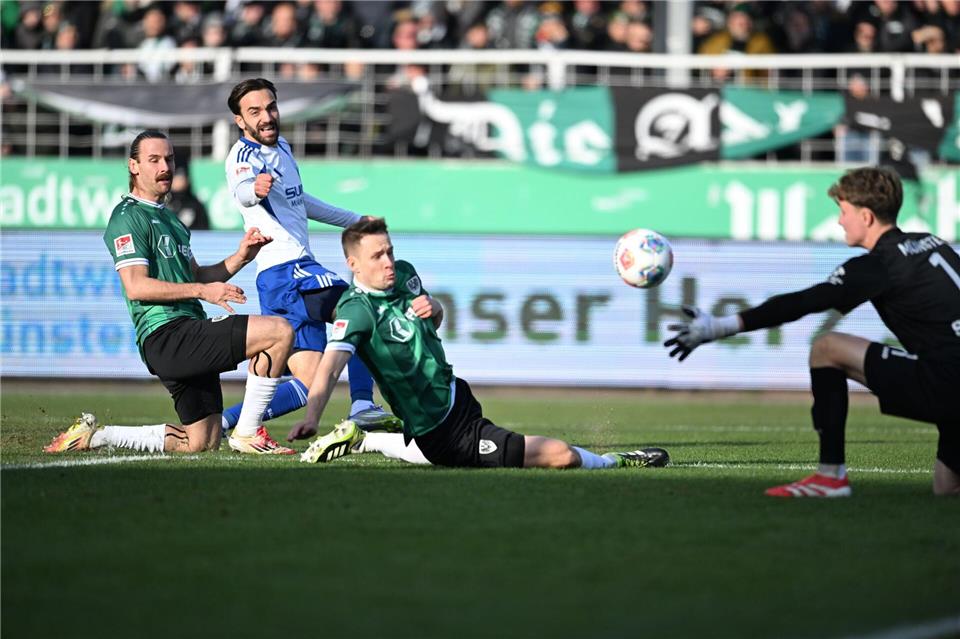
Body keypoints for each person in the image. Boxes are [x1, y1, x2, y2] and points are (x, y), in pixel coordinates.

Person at [664, 167, 960, 497]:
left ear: (866, 216)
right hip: (951, 377)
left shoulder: (879, 264)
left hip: (948, 382)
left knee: (827, 348)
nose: (839, 221)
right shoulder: (933, 244)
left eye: (843, 211)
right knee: (946, 491)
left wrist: (719, 326)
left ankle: (830, 476)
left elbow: (804, 302)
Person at [286, 217, 670, 471]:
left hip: (456, 394)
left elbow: (434, 323)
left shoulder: (404, 275)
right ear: (353, 265)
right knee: (560, 456)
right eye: (376, 256)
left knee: (425, 447)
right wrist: (312, 417)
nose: (388, 261)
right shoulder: (355, 311)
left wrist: (435, 308)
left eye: (389, 250)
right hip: (444, 431)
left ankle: (366, 439)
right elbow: (331, 367)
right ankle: (616, 461)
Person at [44, 130, 296, 456]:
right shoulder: (128, 217)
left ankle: (98, 437)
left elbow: (196, 275)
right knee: (279, 332)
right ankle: (248, 433)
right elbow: (136, 286)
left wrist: (241, 257)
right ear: (133, 166)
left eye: (169, 159)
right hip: (167, 333)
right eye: (154, 160)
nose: (165, 166)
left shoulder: (170, 220)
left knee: (201, 442)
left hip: (185, 331)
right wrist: (203, 291)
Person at [221, 78, 400, 444]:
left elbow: (300, 200)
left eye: (271, 107)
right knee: (360, 307)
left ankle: (225, 423)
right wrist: (253, 191)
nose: (267, 116)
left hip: (280, 281)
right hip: (288, 271)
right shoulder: (242, 158)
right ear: (240, 121)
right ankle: (363, 405)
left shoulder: (282, 146)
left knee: (308, 382)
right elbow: (242, 189)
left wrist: (353, 220)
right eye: (254, 112)